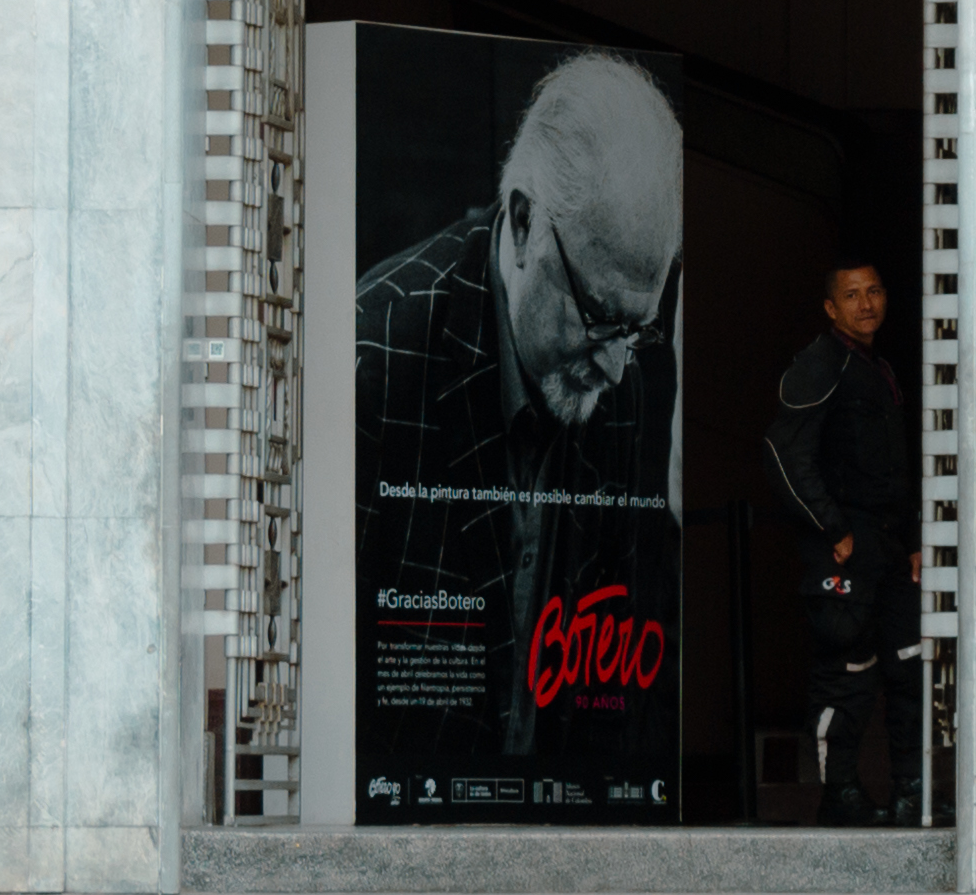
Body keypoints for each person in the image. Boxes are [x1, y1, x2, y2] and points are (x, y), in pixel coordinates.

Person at [355, 50, 686, 788]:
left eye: (640, 329)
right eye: (599, 317)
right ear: (524, 221)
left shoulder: (628, 370)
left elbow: (620, 667)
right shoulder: (376, 357)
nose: (614, 367)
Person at [764, 259, 923, 824]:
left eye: (875, 290)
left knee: (910, 664)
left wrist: (911, 541)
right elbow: (785, 455)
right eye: (852, 295)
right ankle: (841, 795)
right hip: (843, 548)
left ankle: (912, 792)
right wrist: (833, 527)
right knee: (846, 670)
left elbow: (894, 469)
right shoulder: (820, 363)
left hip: (887, 547)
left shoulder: (877, 366)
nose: (867, 304)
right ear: (831, 308)